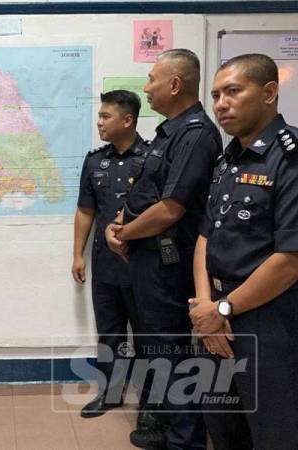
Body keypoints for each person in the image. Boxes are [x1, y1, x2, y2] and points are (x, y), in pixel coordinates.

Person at [105, 49, 222, 450]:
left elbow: (171, 209)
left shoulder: (195, 135)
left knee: (171, 354)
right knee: (157, 349)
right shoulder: (170, 132)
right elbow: (146, 194)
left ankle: (184, 441)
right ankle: (168, 430)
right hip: (147, 257)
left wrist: (125, 234)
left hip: (166, 262)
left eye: (152, 79)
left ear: (175, 84)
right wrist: (120, 224)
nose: (146, 87)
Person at [190, 53, 298, 450]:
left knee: (274, 431)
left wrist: (222, 310)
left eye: (233, 91)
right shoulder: (227, 161)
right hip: (215, 315)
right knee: (223, 426)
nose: (220, 103)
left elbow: (290, 260)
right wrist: (205, 307)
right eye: (216, 94)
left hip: (267, 319)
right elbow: (205, 237)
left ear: (270, 93)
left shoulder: (289, 158)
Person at [72, 90, 157, 429]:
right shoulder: (95, 161)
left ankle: (151, 402)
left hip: (143, 267)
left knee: (148, 336)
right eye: (99, 116)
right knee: (110, 334)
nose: (99, 122)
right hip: (105, 265)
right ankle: (110, 392)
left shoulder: (154, 159)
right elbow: (85, 210)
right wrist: (77, 254)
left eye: (106, 116)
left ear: (127, 120)